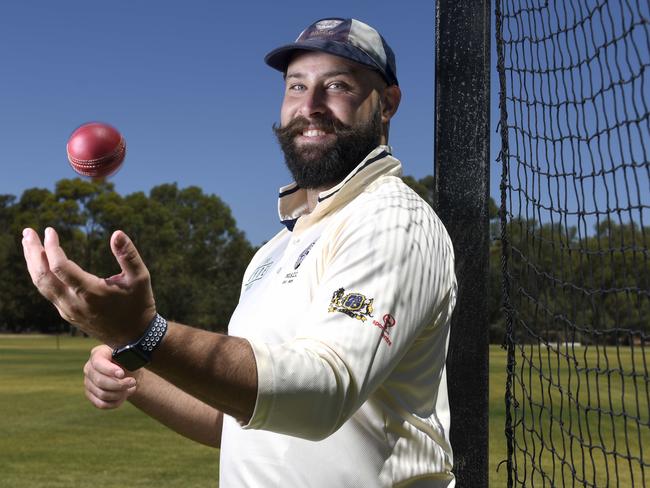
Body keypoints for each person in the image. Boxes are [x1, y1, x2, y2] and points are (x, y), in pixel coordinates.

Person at [22, 18, 457, 487]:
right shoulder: (274, 250)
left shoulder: (393, 219)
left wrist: (145, 333)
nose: (309, 106)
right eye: (296, 86)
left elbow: (322, 394)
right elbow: (238, 420)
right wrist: (136, 368)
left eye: (337, 86)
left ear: (387, 104)